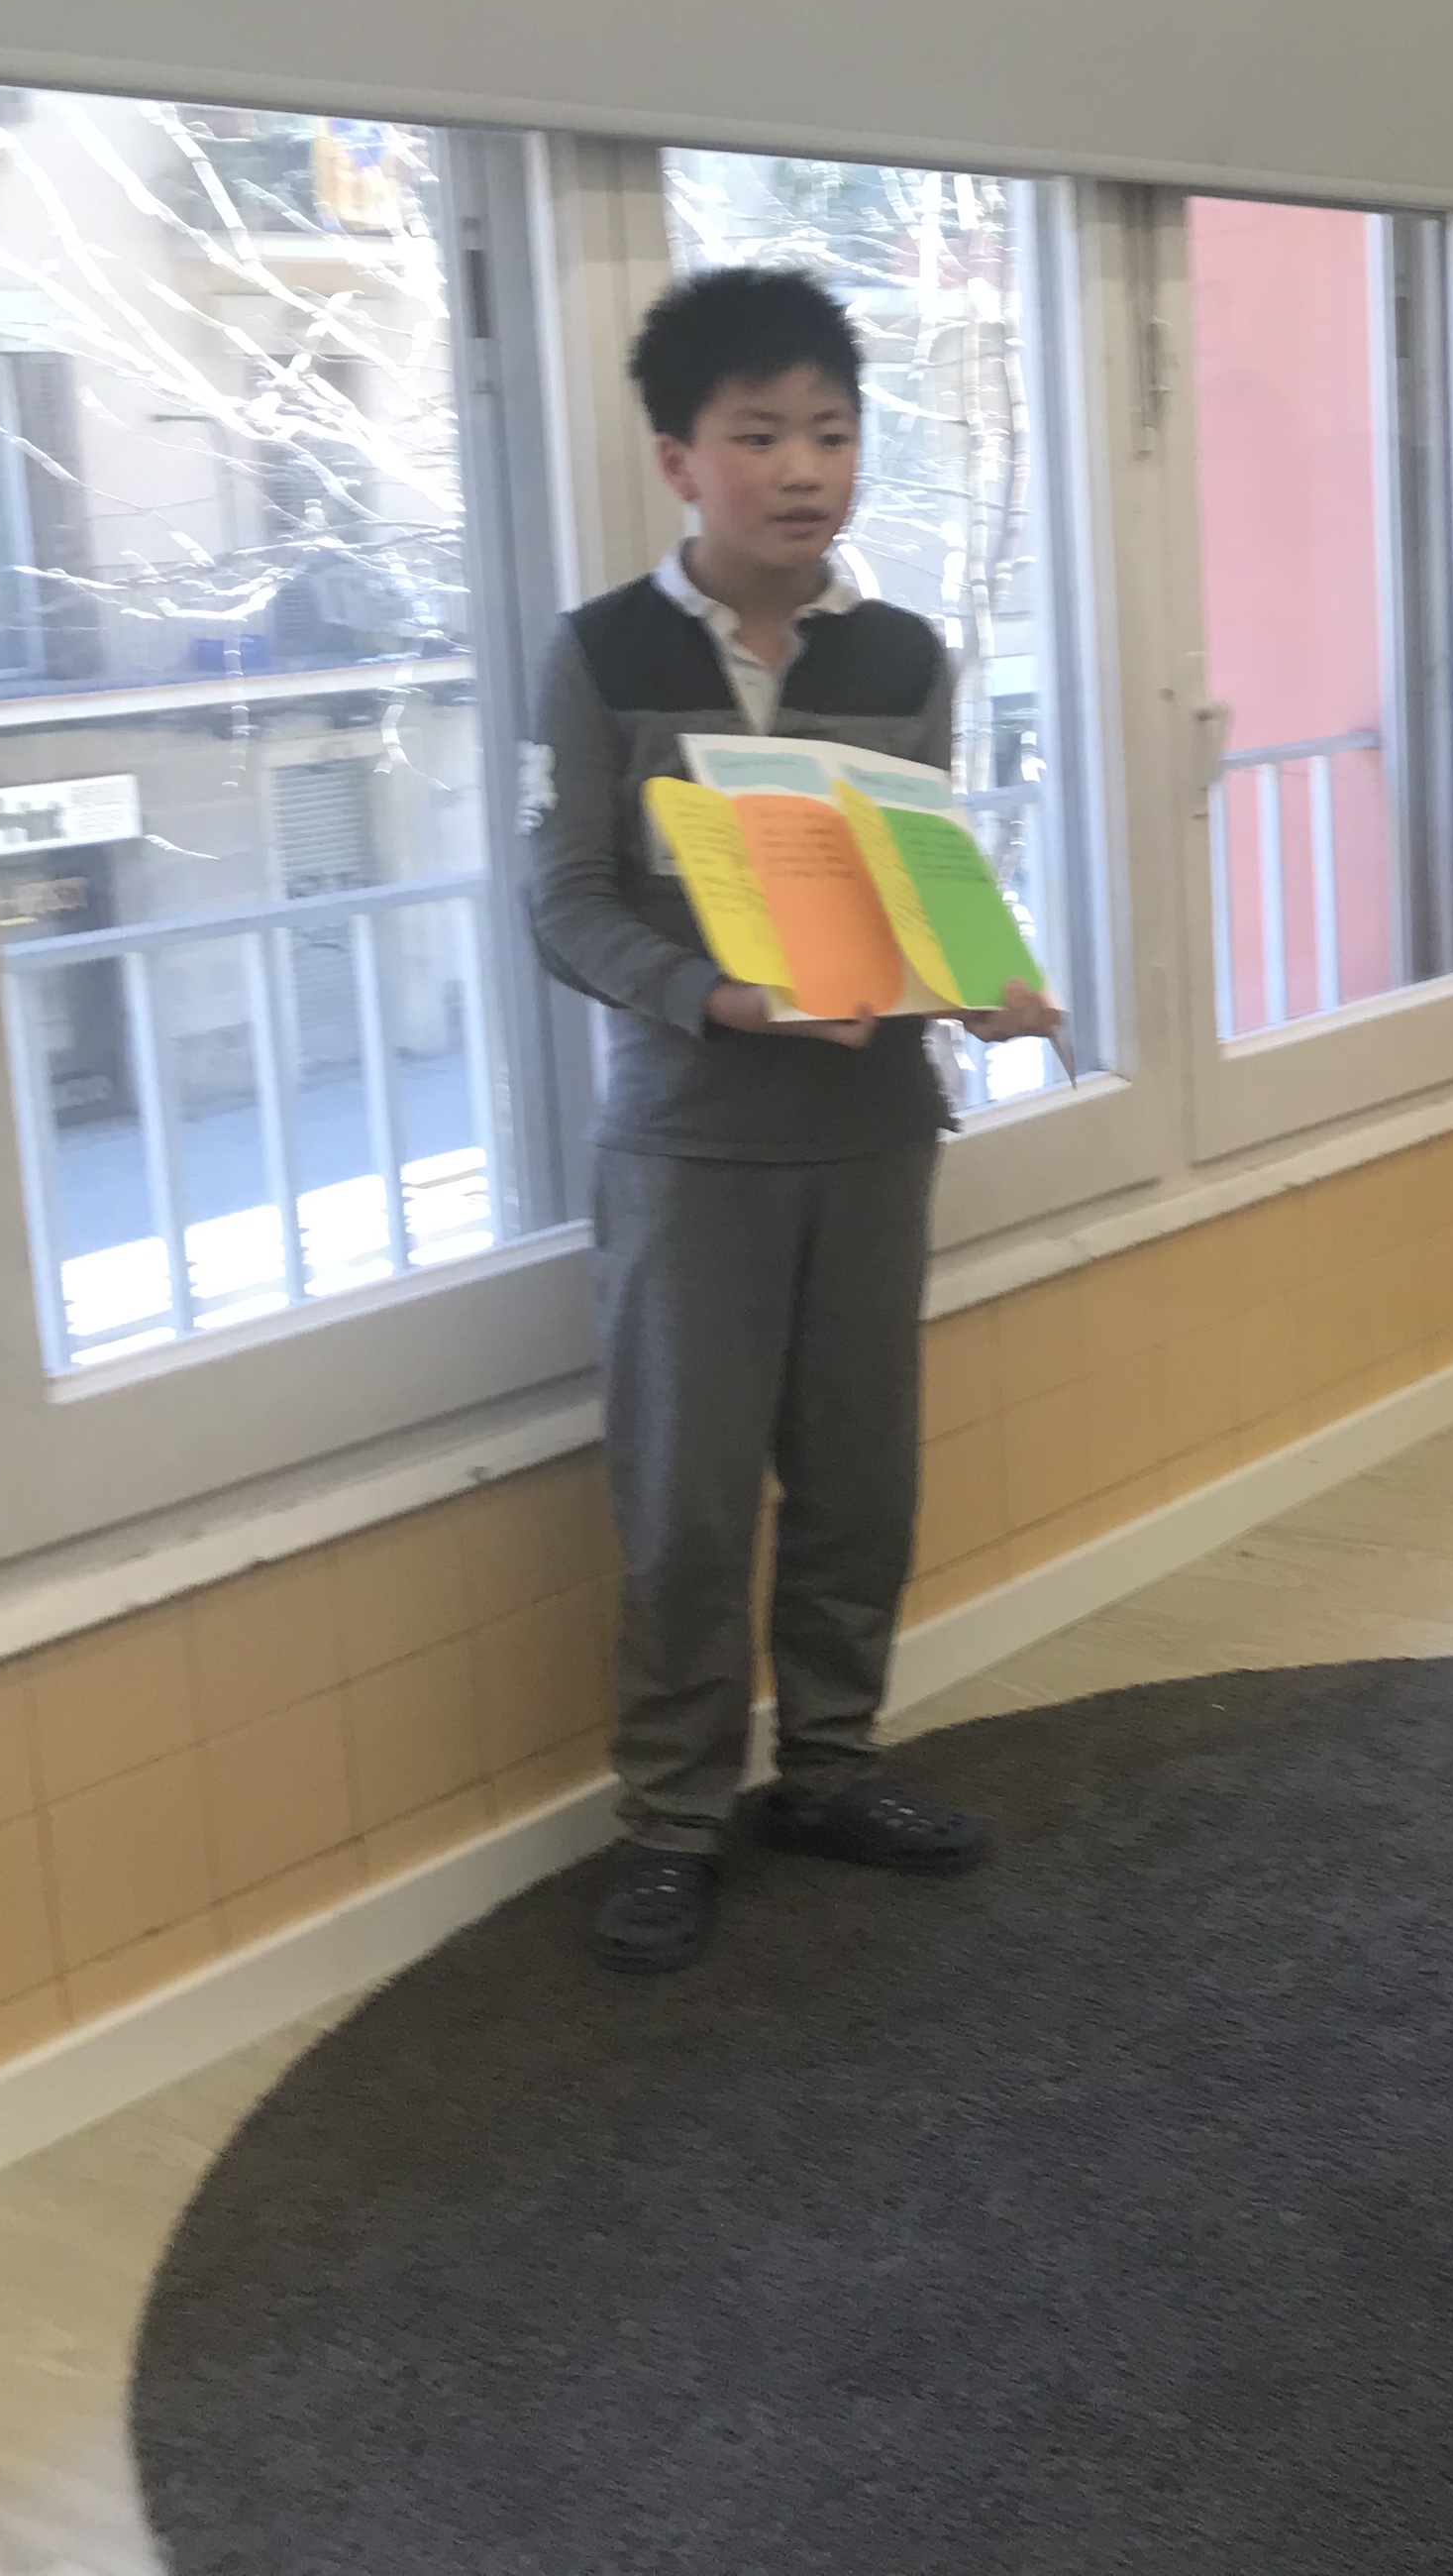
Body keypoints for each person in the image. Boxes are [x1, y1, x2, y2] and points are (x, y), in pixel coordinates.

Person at [527, 267, 1067, 1977]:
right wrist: (720, 998)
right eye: (758, 434)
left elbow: (915, 885)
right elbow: (564, 903)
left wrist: (980, 981)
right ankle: (671, 1822)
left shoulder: (904, 654)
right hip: (688, 1147)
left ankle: (831, 1770)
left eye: (831, 431)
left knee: (857, 1481)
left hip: (871, 1134)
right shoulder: (600, 652)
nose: (802, 468)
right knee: (687, 1502)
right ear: (678, 460)